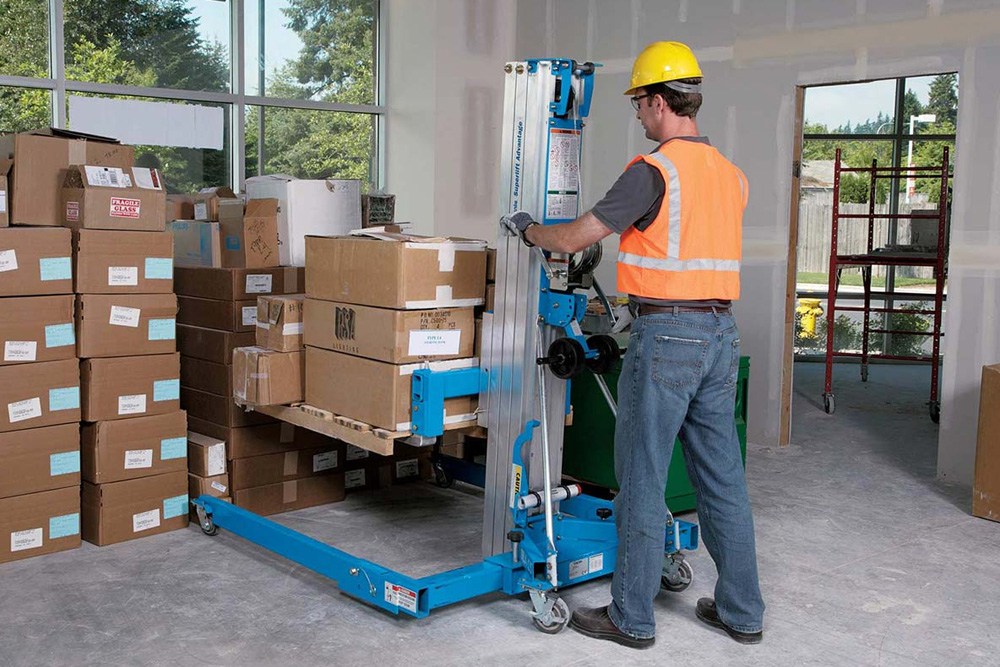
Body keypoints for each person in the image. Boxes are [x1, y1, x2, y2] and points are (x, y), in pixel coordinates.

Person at [503, 41, 765, 650]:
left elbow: (574, 237)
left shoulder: (653, 171)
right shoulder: (730, 173)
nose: (639, 117)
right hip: (720, 335)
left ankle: (632, 618)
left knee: (642, 474)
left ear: (657, 101)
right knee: (721, 478)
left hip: (668, 335)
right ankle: (742, 612)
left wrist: (528, 229)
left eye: (639, 105)